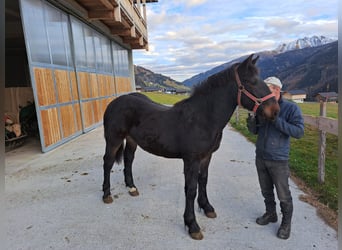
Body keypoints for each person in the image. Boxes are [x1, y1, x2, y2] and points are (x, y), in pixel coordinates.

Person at [246, 76, 304, 240]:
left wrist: (276, 120)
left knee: (283, 195)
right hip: (261, 156)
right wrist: (251, 121)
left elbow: (299, 132)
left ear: (277, 90)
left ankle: (286, 224)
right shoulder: (263, 107)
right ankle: (271, 214)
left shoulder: (291, 109)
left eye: (267, 90)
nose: (263, 93)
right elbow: (255, 131)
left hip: (278, 159)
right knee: (266, 191)